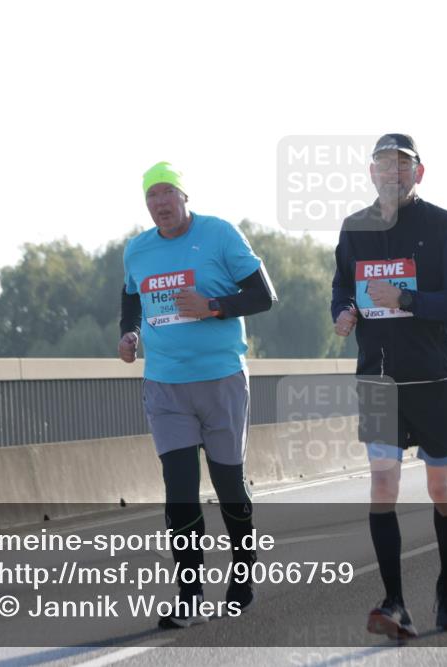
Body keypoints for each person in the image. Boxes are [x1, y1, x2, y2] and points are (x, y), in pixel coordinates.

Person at [118, 161, 277, 628]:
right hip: (165, 384)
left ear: (184, 197)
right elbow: (131, 296)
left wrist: (213, 306)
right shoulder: (137, 250)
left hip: (221, 378)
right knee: (180, 490)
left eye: (168, 193)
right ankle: (189, 595)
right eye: (152, 196)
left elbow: (264, 295)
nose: (161, 203)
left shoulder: (220, 235)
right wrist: (129, 334)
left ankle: (242, 577)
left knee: (229, 484)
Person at [331, 134, 447, 639]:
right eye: (383, 165)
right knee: (383, 486)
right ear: (371, 173)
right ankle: (394, 602)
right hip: (378, 377)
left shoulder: (441, 225)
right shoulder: (354, 228)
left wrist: (407, 299)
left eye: (402, 165)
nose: (393, 173)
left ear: (419, 172)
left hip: (433, 377)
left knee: (440, 487)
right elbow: (341, 284)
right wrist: (343, 311)